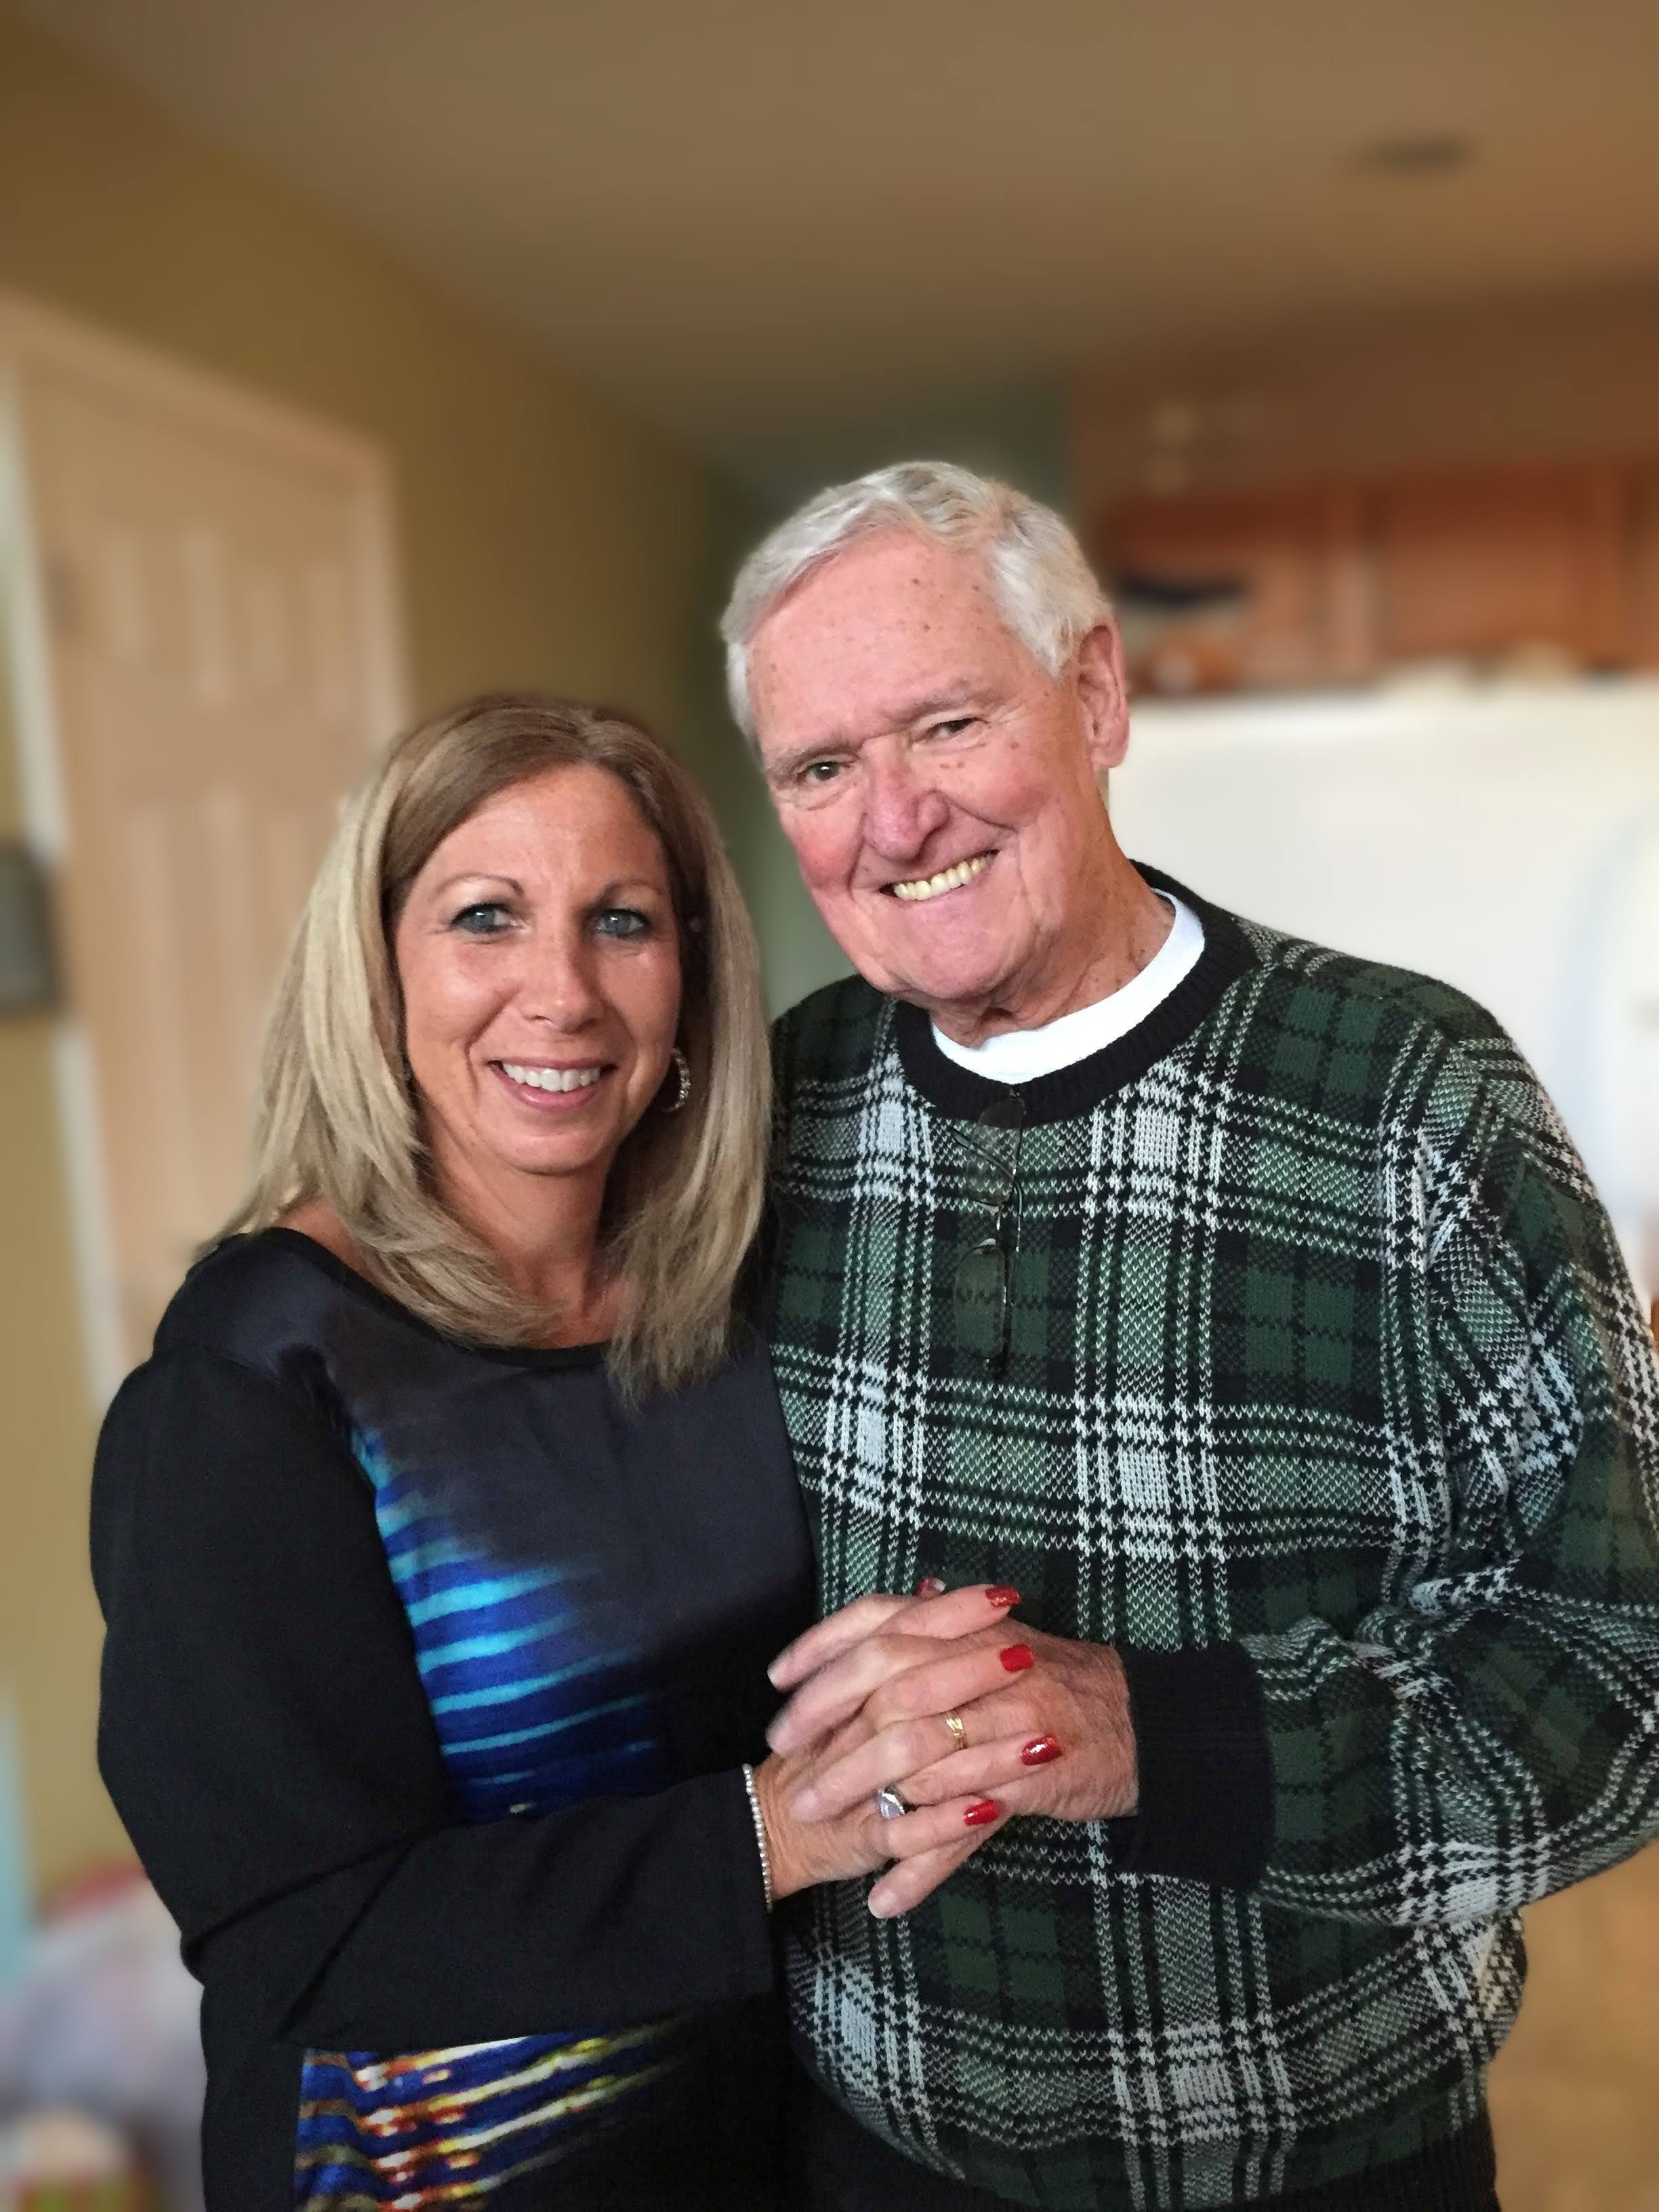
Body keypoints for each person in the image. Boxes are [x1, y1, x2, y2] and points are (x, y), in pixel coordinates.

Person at [720, 465, 1659, 2211]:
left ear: (1094, 697)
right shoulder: (775, 1109)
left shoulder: (1412, 1100)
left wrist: (1153, 1732)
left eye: (944, 724)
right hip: (867, 2148)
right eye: (823, 768)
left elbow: (1621, 1673)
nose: (895, 820)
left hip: (1317, 2160)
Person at [89, 696, 1002, 2212]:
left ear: (690, 978)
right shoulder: (251, 1379)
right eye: (486, 918)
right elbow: (298, 1933)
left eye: (622, 922)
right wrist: (771, 1831)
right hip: (421, 2177)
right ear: (378, 973)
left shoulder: (719, 1313)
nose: (561, 993)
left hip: (753, 2141)